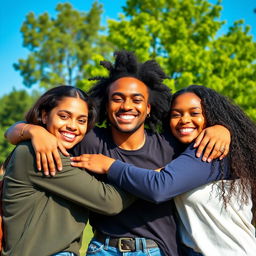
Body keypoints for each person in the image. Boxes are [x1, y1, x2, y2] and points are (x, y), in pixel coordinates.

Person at [5, 52, 231, 256]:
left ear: (148, 107)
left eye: (137, 99)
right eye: (118, 98)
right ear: (106, 104)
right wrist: (30, 130)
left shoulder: (170, 145)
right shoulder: (88, 140)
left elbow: (199, 138)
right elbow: (33, 138)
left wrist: (222, 129)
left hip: (158, 250)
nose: (126, 106)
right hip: (103, 249)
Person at [74, 85, 256, 256]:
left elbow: (160, 187)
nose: (185, 120)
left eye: (195, 113)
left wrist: (109, 165)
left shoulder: (212, 151)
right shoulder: (181, 154)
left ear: (213, 116)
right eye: (177, 114)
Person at [2, 86, 134, 256]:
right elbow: (109, 201)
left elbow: (11, 132)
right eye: (64, 116)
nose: (72, 126)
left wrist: (30, 129)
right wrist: (151, 179)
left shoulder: (63, 152)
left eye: (81, 120)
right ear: (44, 115)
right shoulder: (37, 153)